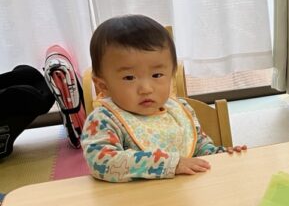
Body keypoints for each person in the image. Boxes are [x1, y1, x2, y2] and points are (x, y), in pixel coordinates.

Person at [80, 15, 246, 182]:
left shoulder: (180, 109)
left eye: (157, 75)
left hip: (183, 197)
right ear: (103, 86)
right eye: (129, 78)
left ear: (171, 75)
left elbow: (198, 145)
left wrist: (220, 155)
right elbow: (102, 162)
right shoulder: (103, 119)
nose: (146, 89)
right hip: (135, 203)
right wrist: (170, 164)